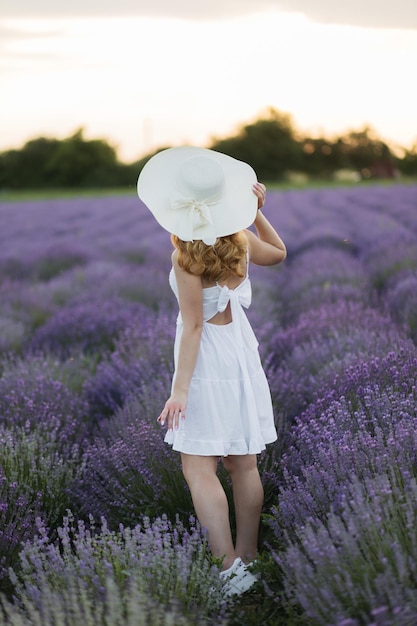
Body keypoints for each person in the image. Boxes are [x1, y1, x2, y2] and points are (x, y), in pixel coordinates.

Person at [137, 147, 286, 596]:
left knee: (198, 468)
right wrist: (257, 213)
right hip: (240, 357)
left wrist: (179, 390)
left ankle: (228, 572)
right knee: (243, 465)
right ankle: (249, 555)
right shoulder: (239, 239)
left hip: (205, 363)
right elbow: (278, 253)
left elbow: (195, 327)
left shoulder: (185, 256)